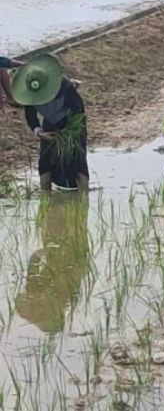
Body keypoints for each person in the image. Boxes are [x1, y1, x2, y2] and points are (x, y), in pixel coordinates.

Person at [10, 55, 89, 191]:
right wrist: (39, 133)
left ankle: (84, 197)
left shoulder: (65, 87)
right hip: (49, 126)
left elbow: (79, 111)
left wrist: (68, 132)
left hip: (72, 125)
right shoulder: (30, 94)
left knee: (78, 161)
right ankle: (45, 198)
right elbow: (31, 117)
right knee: (45, 163)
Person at [16, 193, 91, 333]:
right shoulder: (64, 294)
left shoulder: (62, 293)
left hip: (69, 257)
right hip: (67, 256)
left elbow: (34, 267)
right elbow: (34, 266)